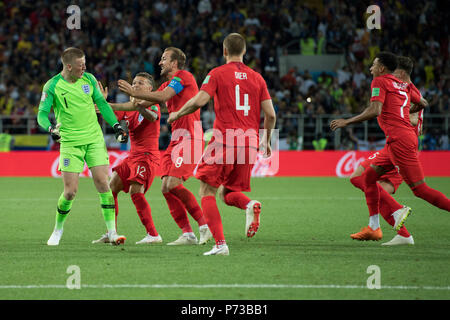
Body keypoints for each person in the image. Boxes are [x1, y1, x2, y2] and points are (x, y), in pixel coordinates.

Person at [167, 33, 276, 256]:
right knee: (228, 193)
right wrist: (266, 140)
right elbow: (271, 115)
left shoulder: (216, 73)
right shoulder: (257, 78)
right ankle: (249, 204)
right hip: (250, 144)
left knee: (206, 190)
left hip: (225, 140)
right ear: (244, 51)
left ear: (224, 51)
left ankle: (220, 245)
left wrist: (178, 112)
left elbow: (200, 100)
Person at [331, 52, 450, 233]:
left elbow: (375, 110)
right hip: (397, 140)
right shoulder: (405, 86)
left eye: (373, 65)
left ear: (382, 68)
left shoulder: (380, 81)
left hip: (400, 141)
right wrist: (406, 110)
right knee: (366, 177)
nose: (370, 68)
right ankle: (374, 227)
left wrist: (347, 121)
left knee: (420, 190)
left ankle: (398, 219)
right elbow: (423, 103)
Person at [118, 47, 212, 246]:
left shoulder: (183, 77)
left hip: (190, 137)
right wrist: (102, 104)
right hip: (176, 140)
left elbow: (162, 98)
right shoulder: (166, 85)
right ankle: (188, 234)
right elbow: (137, 104)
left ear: (174, 63)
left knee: (172, 184)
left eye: (164, 59)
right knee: (166, 188)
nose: (160, 62)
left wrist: (134, 92)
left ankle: (205, 226)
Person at [37, 47, 128, 246]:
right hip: (70, 143)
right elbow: (42, 114)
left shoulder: (89, 79)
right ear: (69, 66)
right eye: (81, 65)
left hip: (94, 140)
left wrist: (116, 126)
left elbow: (102, 104)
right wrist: (51, 128)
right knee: (70, 192)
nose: (84, 67)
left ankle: (112, 232)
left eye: (85, 64)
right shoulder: (52, 86)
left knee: (104, 184)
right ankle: (58, 229)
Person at [349, 56, 422, 246]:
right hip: (391, 144)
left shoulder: (407, 89)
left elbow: (413, 120)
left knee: (377, 190)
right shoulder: (396, 87)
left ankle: (395, 228)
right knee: (361, 178)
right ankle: (380, 227)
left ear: (402, 73)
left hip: (402, 148)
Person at [92, 72, 163, 245]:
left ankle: (153, 235)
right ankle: (111, 232)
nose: (136, 85)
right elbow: (110, 114)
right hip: (132, 157)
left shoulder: (152, 103)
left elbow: (152, 116)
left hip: (147, 157)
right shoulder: (129, 107)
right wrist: (102, 101)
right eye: (134, 83)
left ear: (149, 89)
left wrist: (136, 102)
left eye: (140, 83)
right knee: (110, 188)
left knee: (135, 192)